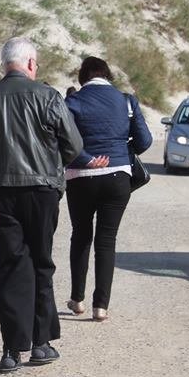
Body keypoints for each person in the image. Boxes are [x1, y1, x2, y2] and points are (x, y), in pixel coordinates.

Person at [0, 37, 85, 372]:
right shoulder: (48, 96)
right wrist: (51, 163)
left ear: (5, 64)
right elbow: (73, 145)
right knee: (41, 262)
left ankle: (11, 349)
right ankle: (41, 343)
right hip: (42, 189)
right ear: (29, 63)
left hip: (1, 190)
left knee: (11, 264)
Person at [64, 57, 152, 322]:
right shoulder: (126, 101)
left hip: (81, 177)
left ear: (83, 76)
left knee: (81, 236)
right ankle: (100, 306)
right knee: (106, 240)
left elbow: (64, 140)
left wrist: (87, 159)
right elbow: (145, 141)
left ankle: (77, 299)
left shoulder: (73, 101)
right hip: (117, 177)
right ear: (107, 75)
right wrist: (120, 150)